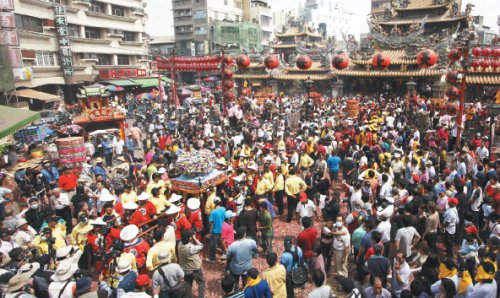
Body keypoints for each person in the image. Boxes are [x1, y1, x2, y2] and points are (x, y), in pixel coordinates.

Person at [227, 227, 257, 291]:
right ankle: (245, 291)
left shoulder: (232, 246)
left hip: (235, 268)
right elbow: (254, 249)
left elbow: (228, 257)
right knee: (246, 282)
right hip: (247, 267)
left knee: (235, 282)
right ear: (244, 234)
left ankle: (236, 292)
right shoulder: (251, 242)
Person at [177, 230, 205, 298]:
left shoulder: (179, 243)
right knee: (201, 283)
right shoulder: (190, 247)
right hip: (194, 269)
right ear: (190, 238)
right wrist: (195, 239)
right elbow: (201, 246)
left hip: (185, 268)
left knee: (188, 284)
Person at [206, 196, 226, 262]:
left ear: (214, 203)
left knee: (213, 244)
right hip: (223, 229)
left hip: (216, 230)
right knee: (223, 241)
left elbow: (210, 222)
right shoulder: (223, 209)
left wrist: (209, 231)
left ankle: (212, 257)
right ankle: (225, 253)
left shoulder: (213, 212)